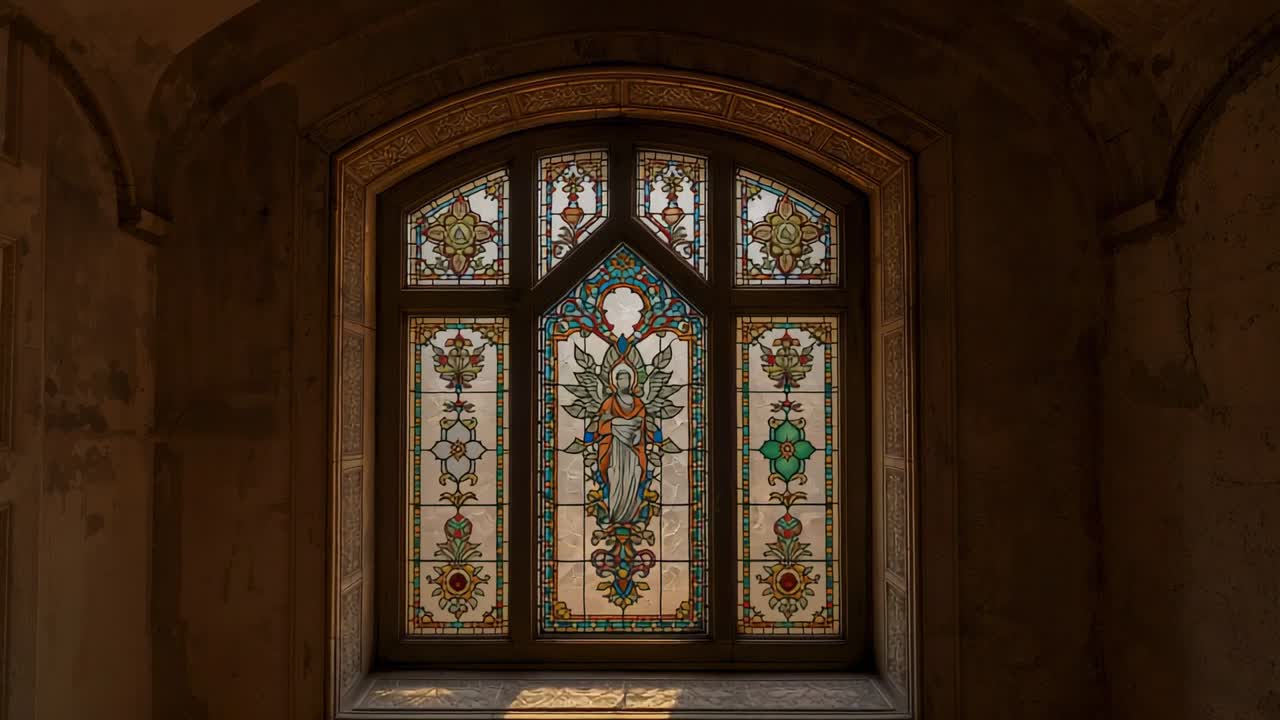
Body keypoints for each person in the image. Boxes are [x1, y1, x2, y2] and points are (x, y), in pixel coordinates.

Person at [595, 363, 648, 524]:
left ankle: (632, 514)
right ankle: (614, 513)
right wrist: (620, 424)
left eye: (626, 379)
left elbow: (641, 424)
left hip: (632, 449)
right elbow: (602, 427)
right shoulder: (609, 403)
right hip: (615, 449)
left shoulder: (638, 403)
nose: (623, 382)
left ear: (631, 381)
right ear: (615, 382)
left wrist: (624, 425)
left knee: (632, 476)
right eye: (621, 379)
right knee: (616, 477)